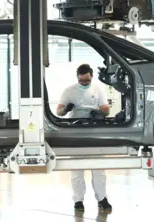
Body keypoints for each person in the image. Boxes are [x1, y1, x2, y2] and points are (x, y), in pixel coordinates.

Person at [56, 64, 112, 212]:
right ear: (77, 78)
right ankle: (78, 200)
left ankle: (102, 198)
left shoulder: (98, 90)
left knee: (99, 169)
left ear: (91, 76)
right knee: (76, 169)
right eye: (81, 81)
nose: (84, 83)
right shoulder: (69, 91)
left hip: (94, 131)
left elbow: (106, 109)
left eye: (86, 81)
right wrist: (66, 109)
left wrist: (99, 112)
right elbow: (59, 111)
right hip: (75, 131)